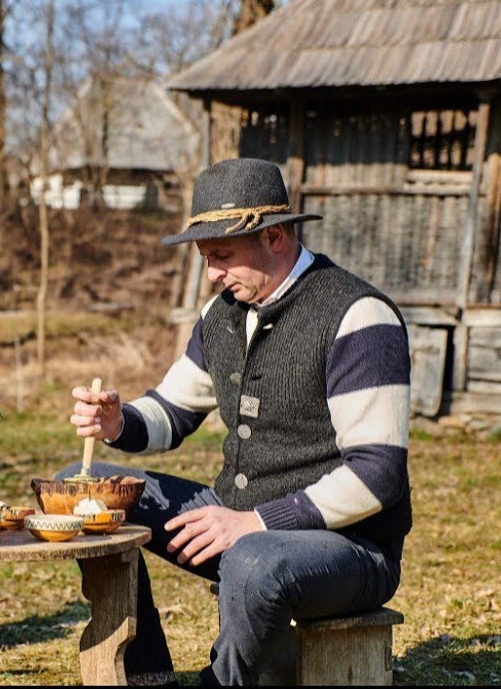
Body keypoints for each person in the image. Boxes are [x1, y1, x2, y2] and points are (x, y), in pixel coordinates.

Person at [62, 157, 412, 686]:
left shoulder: (358, 315)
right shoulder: (221, 314)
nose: (212, 274)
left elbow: (377, 475)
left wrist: (257, 523)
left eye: (222, 256)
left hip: (350, 549)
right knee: (80, 489)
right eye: (206, 258)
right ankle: (146, 678)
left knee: (252, 561)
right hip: (240, 523)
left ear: (274, 236)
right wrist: (118, 422)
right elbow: (172, 411)